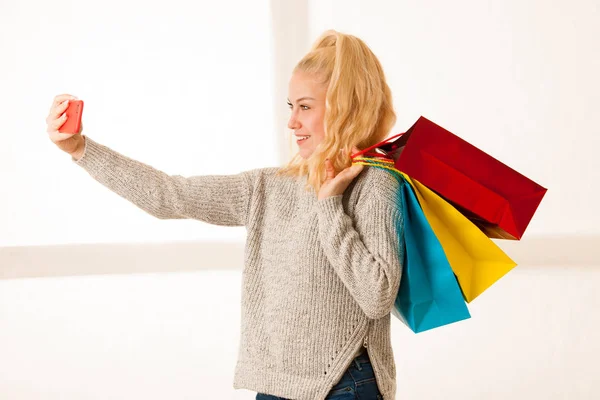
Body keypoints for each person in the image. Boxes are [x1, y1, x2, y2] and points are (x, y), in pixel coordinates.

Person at [45, 29, 403, 400]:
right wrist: (81, 149)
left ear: (345, 108)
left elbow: (377, 295)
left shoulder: (376, 184)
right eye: (290, 106)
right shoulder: (270, 187)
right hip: (276, 385)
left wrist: (330, 205)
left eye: (306, 107)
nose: (292, 122)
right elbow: (170, 196)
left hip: (344, 384)